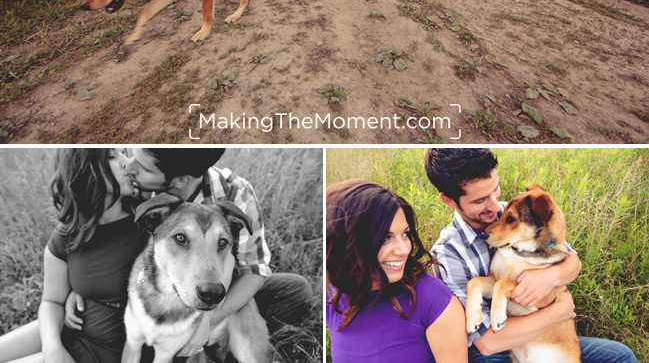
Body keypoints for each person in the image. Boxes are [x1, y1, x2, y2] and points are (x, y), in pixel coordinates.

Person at [424, 148, 638, 363]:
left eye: (495, 189)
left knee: (620, 356)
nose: (493, 205)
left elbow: (570, 258)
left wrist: (550, 277)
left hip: (540, 334)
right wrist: (560, 311)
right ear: (449, 200)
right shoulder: (449, 252)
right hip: (495, 345)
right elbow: (486, 342)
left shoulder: (513, 211)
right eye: (479, 200)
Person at [121, 148, 313, 338]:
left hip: (217, 290)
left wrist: (206, 322)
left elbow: (254, 270)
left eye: (145, 169)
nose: (128, 167)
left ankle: (223, 338)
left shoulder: (235, 193)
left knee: (295, 289)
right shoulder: (132, 186)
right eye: (132, 154)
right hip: (155, 292)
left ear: (180, 180)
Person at [0, 148, 146, 363]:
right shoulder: (69, 233)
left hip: (102, 352)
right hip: (69, 330)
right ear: (85, 172)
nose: (127, 162)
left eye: (125, 152)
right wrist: (52, 348)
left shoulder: (147, 223)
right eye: (112, 157)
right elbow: (51, 301)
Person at [326, 179, 467, 363]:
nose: (403, 250)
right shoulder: (332, 292)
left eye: (405, 234)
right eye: (386, 237)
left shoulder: (434, 301)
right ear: (349, 243)